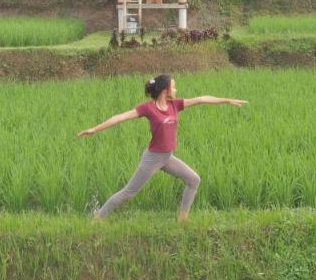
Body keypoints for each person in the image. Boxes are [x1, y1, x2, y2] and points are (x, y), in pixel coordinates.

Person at [77, 74, 247, 222]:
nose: (176, 89)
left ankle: (183, 218)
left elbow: (201, 99)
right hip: (153, 158)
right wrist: (95, 129)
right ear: (165, 90)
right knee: (129, 192)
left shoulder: (175, 105)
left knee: (194, 180)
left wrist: (227, 100)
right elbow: (120, 117)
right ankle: (99, 217)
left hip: (167, 157)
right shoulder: (148, 108)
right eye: (173, 86)